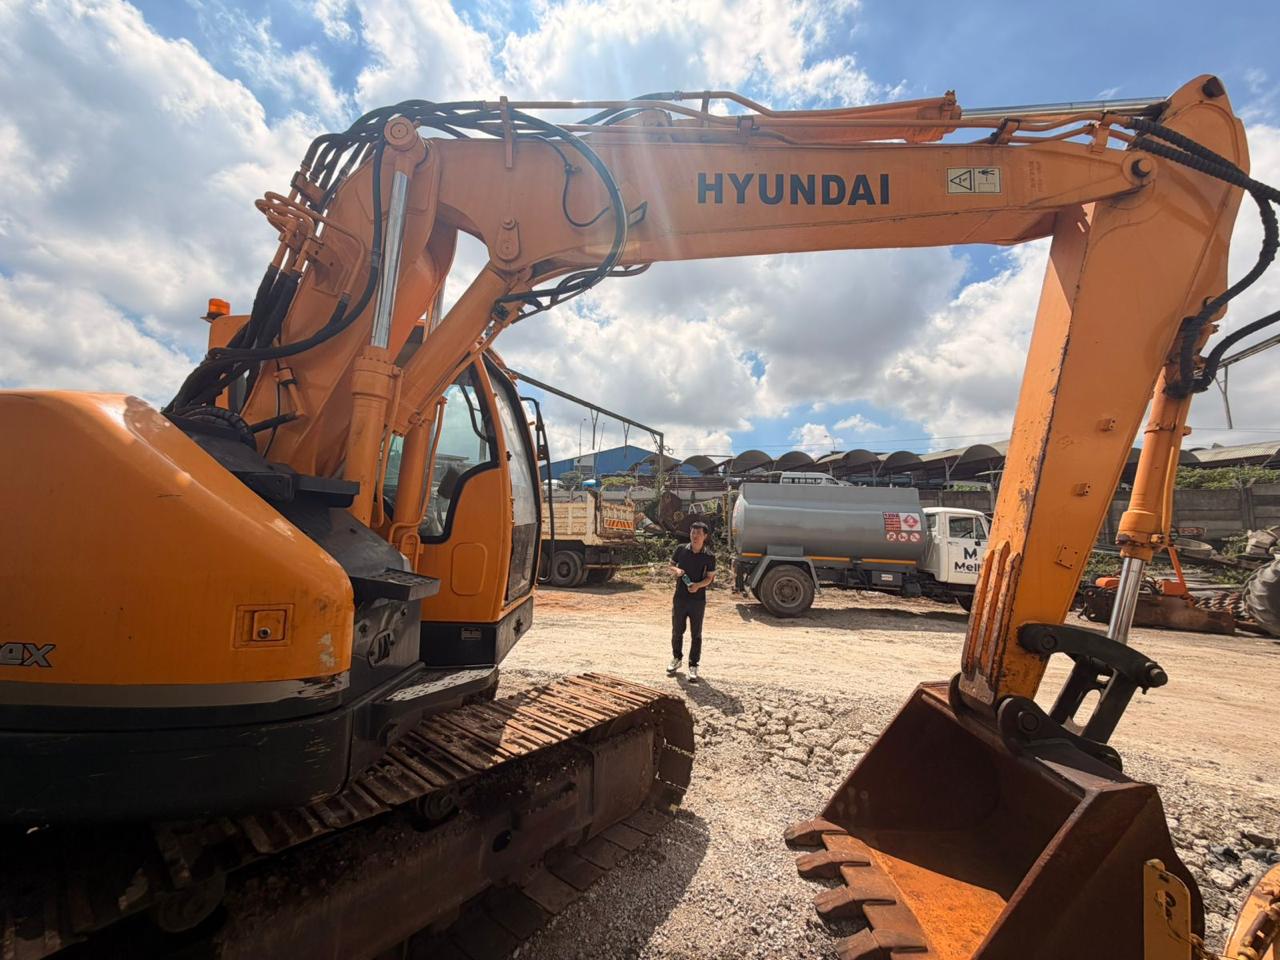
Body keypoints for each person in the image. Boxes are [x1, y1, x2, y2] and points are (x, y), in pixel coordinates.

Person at [667, 521, 715, 683]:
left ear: (705, 536)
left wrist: (698, 586)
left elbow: (710, 578)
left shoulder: (709, 556)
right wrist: (677, 571)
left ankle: (693, 665)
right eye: (693, 533)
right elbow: (670, 566)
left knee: (696, 635)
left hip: (698, 600)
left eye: (699, 534)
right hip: (680, 598)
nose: (695, 536)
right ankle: (676, 659)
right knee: (677, 631)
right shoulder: (681, 550)